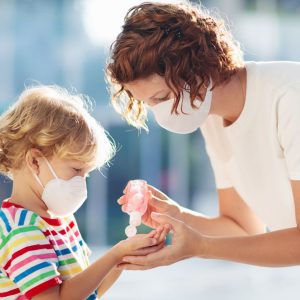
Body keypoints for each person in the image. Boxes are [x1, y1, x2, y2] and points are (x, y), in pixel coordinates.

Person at [106, 1, 300, 270]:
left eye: (161, 97)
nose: (161, 115)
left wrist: (201, 247)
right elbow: (242, 230)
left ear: (197, 68)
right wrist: (176, 216)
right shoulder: (212, 118)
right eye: (150, 104)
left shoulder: (291, 98)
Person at [0, 85, 169, 299]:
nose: (81, 183)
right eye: (75, 169)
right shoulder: (22, 230)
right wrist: (115, 253)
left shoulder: (62, 220)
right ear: (34, 161)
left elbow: (89, 292)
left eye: (86, 174)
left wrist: (122, 258)